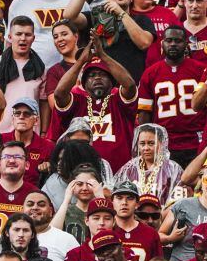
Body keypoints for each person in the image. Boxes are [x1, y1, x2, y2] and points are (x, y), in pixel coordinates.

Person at [50, 39, 142, 171]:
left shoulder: (119, 101)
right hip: (81, 176)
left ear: (111, 80)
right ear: (84, 83)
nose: (97, 78)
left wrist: (103, 55)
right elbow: (59, 93)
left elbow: (130, 85)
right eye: (92, 75)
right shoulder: (78, 102)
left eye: (102, 75)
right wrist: (81, 61)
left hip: (120, 176)